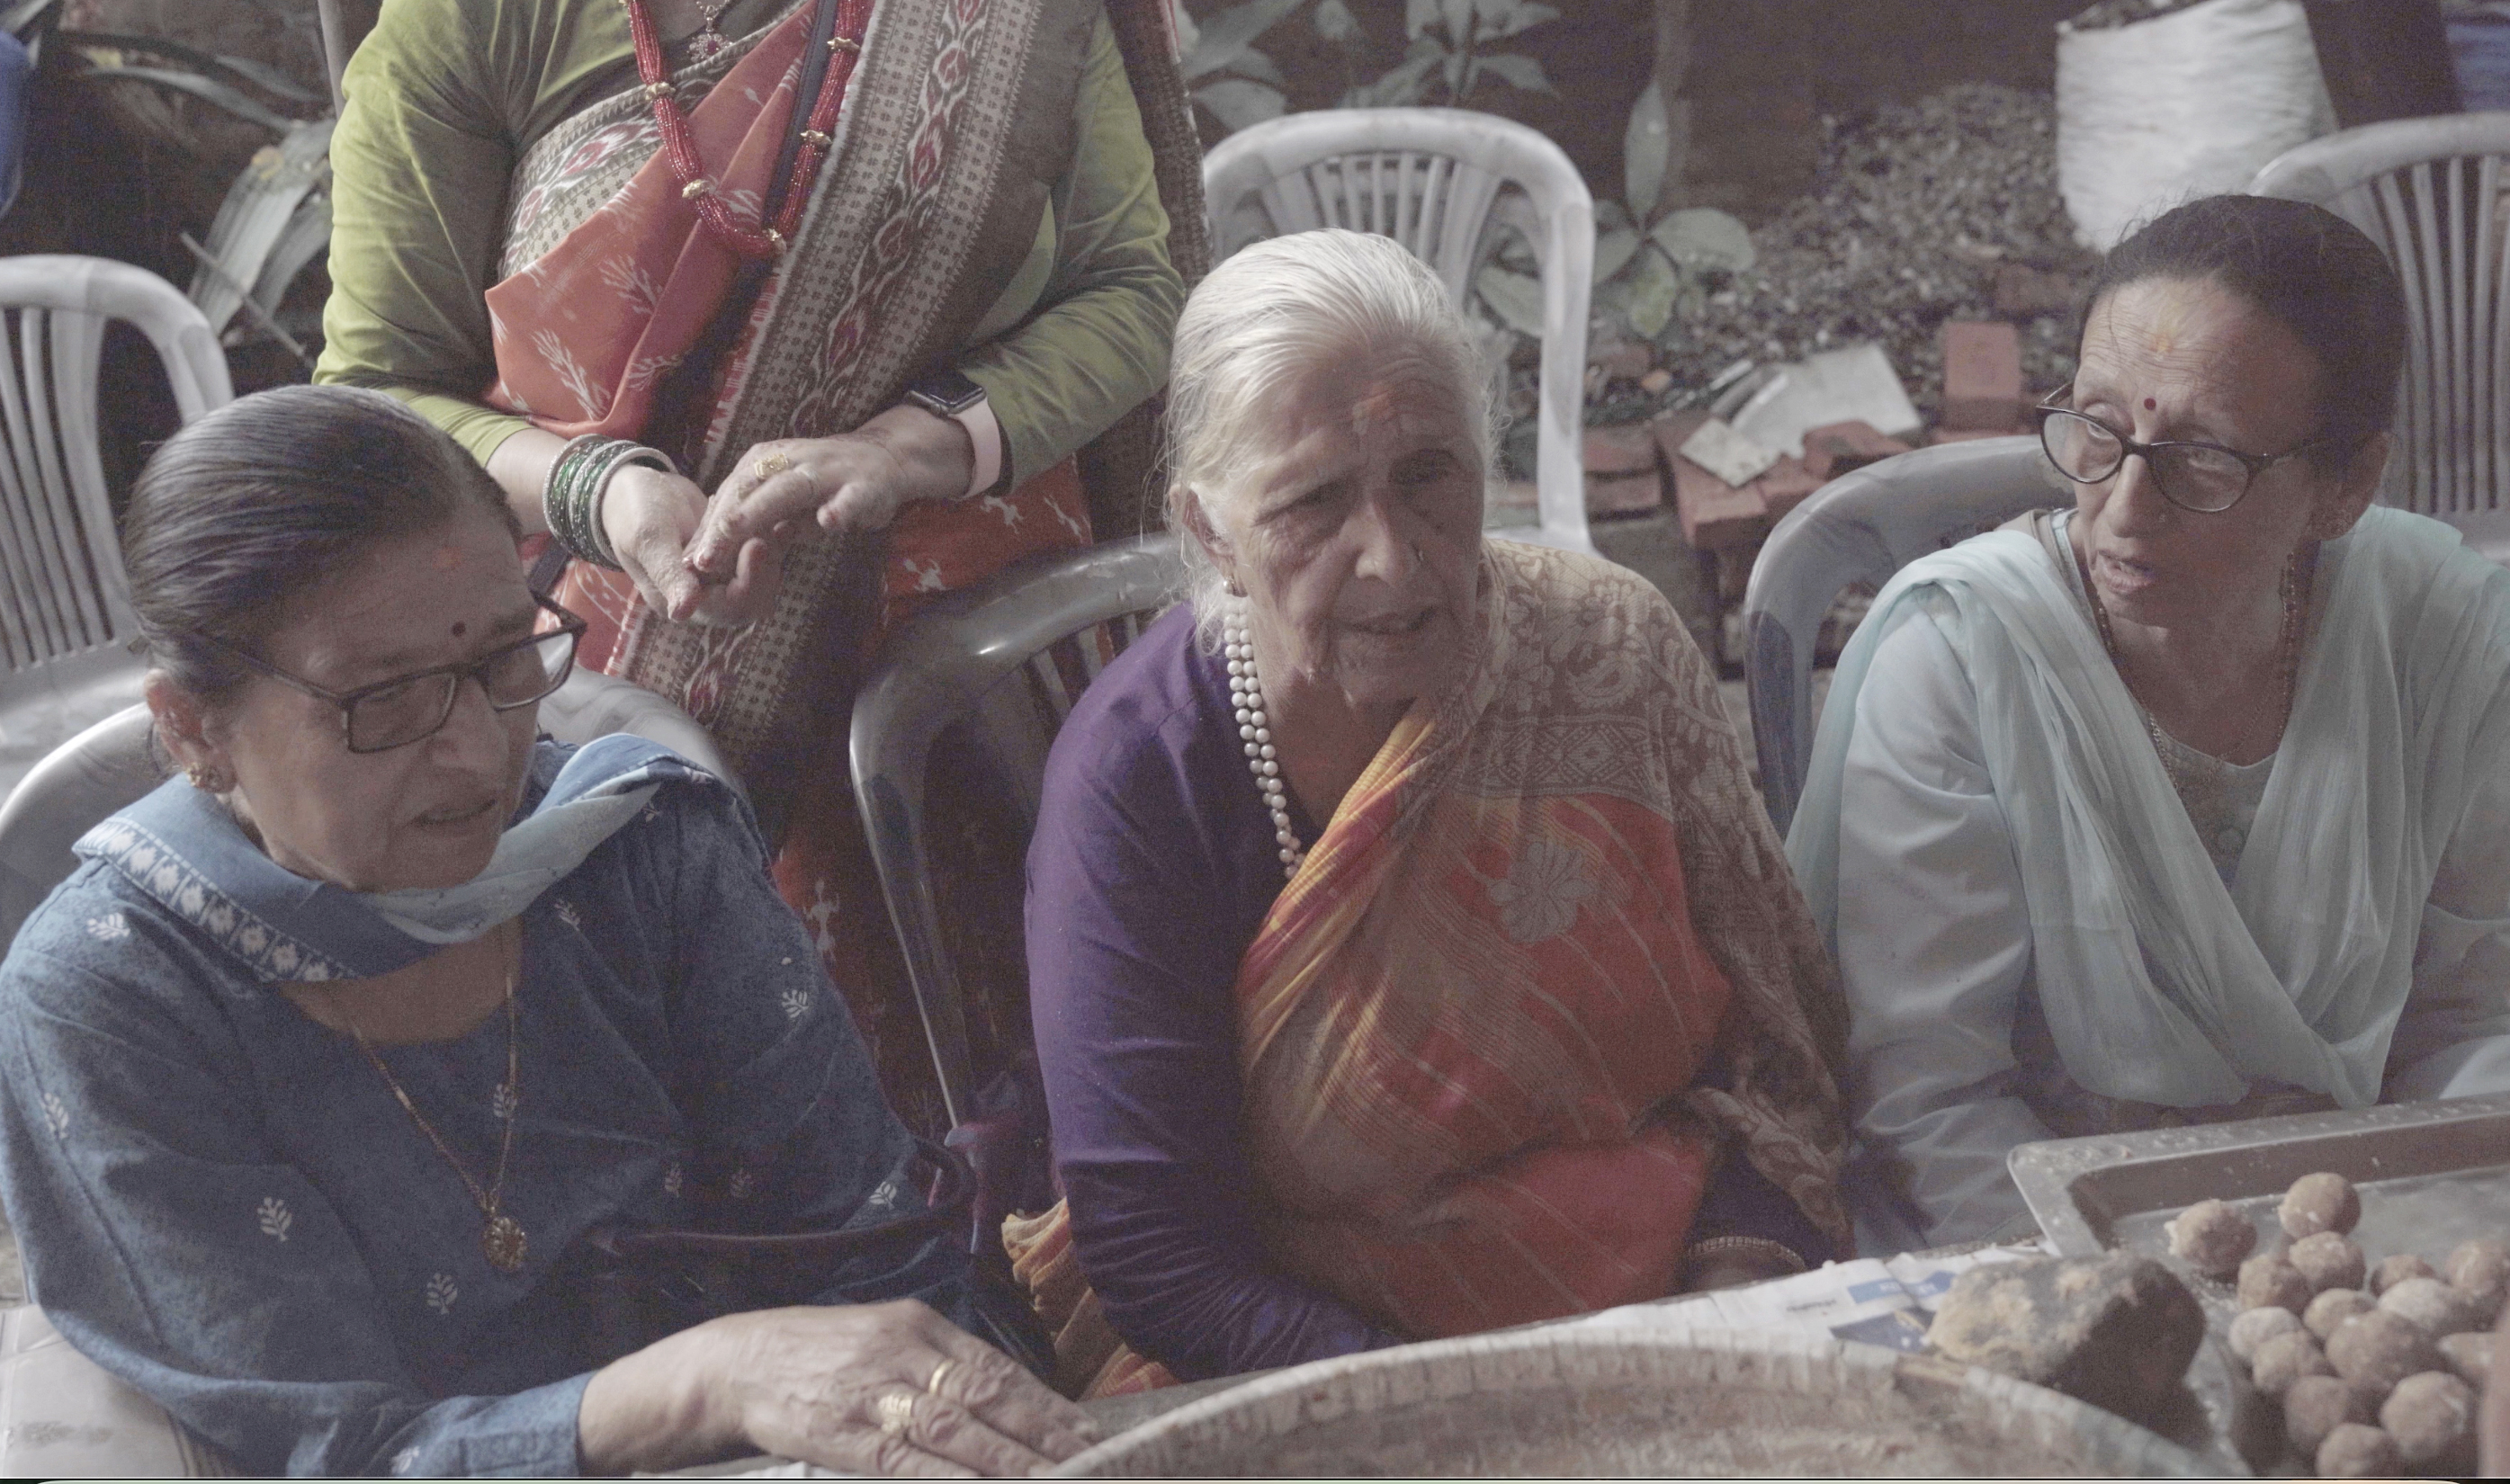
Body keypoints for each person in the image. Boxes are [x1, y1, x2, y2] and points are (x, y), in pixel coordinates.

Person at [0, 386, 1095, 1476]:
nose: (478, 751)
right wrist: (709, 1378)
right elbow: (325, 1452)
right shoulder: (112, 997)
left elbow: (874, 1258)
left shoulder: (635, 848)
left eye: (501, 660)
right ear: (195, 730)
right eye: (384, 700)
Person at [313, 0, 1193, 1134]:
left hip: (986, 663)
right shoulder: (477, 22)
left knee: (1055, 1103)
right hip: (632, 662)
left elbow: (1131, 288)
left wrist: (900, 449)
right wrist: (608, 492)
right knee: (738, 1125)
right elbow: (377, 395)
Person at [1005, 230, 1851, 1398]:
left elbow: (1766, 1045)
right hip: (1306, 1357)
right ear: (1210, 534)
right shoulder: (1139, 777)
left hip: (1669, 1301)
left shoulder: (1605, 652)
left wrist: (1735, 1278)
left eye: (1427, 475)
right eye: (1311, 503)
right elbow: (1161, 1255)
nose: (1393, 559)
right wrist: (1464, 1418)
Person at [1788, 195, 2510, 1251]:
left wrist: (2402, 1256)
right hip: (2038, 1246)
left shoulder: (2441, 641)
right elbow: (1929, 1104)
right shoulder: (1959, 662)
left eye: (2203, 459)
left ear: (2346, 483)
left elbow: (2479, 1019)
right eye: (2097, 428)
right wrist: (2134, 1305)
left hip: (2368, 1236)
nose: (2123, 510)